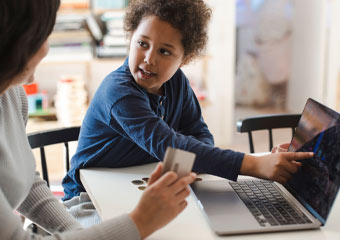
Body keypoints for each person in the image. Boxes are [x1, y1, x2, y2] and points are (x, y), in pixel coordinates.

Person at [62, 0, 314, 203]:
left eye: (164, 51)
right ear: (130, 40)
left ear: (184, 58)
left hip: (133, 186)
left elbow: (199, 134)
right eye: (142, 44)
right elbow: (169, 144)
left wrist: (184, 165)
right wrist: (255, 164)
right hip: (87, 198)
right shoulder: (118, 92)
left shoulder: (177, 82)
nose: (149, 59)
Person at [0, 0, 196, 239]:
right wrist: (140, 223)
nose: (46, 48)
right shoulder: (119, 90)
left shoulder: (11, 93)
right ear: (15, 41)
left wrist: (76, 231)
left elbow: (24, 179)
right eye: (44, 35)